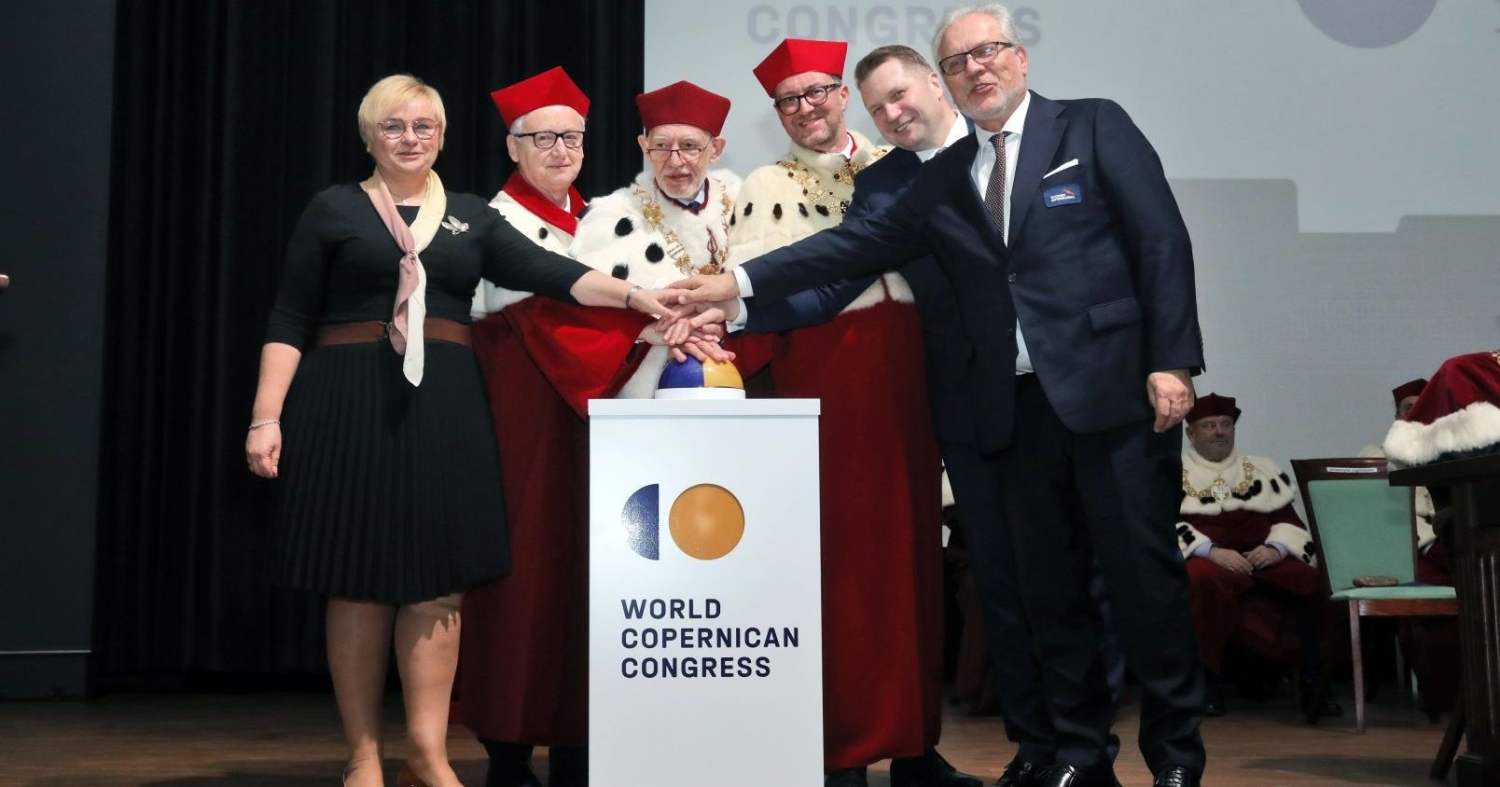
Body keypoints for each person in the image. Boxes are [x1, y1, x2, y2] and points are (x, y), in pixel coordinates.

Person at [666, 6, 1208, 785]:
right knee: (1048, 593)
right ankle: (1079, 755)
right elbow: (849, 252)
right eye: (960, 62)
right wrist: (735, 288)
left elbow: (1160, 239)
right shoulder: (939, 179)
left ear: (1016, 59)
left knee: (1143, 581)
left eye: (985, 53)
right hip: (1012, 411)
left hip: (1112, 394)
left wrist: (1173, 360)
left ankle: (1176, 757)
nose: (974, 70)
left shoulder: (1092, 126)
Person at [244, 74, 677, 787]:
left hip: (444, 404)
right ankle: (362, 756)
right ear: (369, 136)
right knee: (354, 583)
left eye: (423, 126)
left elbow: (555, 273)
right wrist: (267, 415)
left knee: (441, 585)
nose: (409, 138)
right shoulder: (333, 209)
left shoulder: (471, 216)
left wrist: (639, 297)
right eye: (393, 126)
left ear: (442, 136)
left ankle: (427, 753)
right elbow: (289, 317)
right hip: (344, 401)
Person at [728, 38, 979, 787]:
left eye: (819, 92)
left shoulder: (898, 167)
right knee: (838, 563)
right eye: (789, 100)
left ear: (845, 96)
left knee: (910, 557)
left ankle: (913, 742)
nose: (806, 108)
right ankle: (839, 745)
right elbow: (765, 304)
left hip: (908, 372)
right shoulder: (765, 184)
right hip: (825, 378)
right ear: (776, 114)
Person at [459, 67, 633, 787]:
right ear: (512, 145)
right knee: (523, 573)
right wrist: (646, 328)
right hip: (522, 414)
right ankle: (507, 747)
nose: (562, 150)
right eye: (544, 139)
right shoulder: (493, 222)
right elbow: (543, 317)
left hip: (594, 420)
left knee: (591, 574)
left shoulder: (608, 219)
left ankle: (579, 742)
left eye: (573, 137)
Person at [565, 80, 742, 397]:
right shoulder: (608, 218)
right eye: (661, 146)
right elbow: (589, 316)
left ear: (716, 150)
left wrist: (727, 321)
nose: (675, 161)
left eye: (689, 146)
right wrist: (658, 331)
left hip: (742, 379)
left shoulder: (748, 207)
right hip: (644, 390)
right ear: (644, 146)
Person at [1175, 394, 1324, 718]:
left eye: (1225, 425)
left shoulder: (1262, 469)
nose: (1219, 431)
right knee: (1203, 581)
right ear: (1190, 433)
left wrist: (1275, 549)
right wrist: (1211, 551)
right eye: (1209, 426)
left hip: (1261, 557)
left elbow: (1290, 521)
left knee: (1310, 580)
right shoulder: (1172, 472)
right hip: (1209, 559)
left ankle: (1314, 680)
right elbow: (1163, 524)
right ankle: (1206, 683)